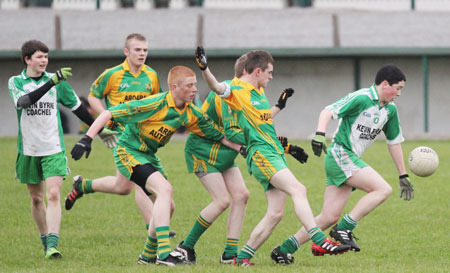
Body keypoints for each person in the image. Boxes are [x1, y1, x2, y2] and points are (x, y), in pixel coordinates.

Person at [70, 65, 242, 266]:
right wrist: (87, 138)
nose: (195, 89)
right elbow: (108, 113)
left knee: (168, 206)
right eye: (189, 85)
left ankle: (147, 255)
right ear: (174, 87)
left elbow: (217, 135)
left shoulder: (190, 112)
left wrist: (243, 149)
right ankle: (164, 253)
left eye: (195, 84)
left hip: (148, 156)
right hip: (128, 152)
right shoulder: (154, 103)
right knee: (164, 189)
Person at [195, 47, 350, 266]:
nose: (271, 76)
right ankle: (318, 239)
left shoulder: (258, 92)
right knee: (299, 189)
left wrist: (280, 112)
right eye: (269, 72)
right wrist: (204, 68)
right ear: (257, 71)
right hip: (261, 154)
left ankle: (242, 258)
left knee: (276, 213)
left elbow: (263, 122)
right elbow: (216, 86)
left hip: (273, 152)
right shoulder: (237, 89)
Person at [271, 64, 414, 264]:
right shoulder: (362, 97)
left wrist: (403, 174)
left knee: (328, 217)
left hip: (347, 159)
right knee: (382, 189)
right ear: (384, 84)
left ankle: (284, 249)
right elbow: (327, 111)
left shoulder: (390, 110)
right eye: (398, 88)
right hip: (340, 153)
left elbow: (394, 141)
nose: (399, 94)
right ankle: (344, 228)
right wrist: (320, 134)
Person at [7, 40, 116, 260]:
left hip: (53, 148)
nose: (44, 61)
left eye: (46, 57)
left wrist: (100, 130)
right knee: (36, 199)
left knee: (54, 194)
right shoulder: (16, 81)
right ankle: (45, 238)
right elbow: (24, 102)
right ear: (27, 59)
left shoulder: (57, 83)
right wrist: (51, 82)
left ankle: (53, 246)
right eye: (39, 57)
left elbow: (78, 108)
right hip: (28, 148)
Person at [64, 33, 175, 237]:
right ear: (126, 52)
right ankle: (157, 230)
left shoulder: (151, 75)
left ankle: (83, 186)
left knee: (123, 186)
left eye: (145, 50)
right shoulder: (113, 74)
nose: (142, 54)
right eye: (137, 50)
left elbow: (156, 104)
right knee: (142, 180)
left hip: (142, 136)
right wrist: (106, 119)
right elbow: (93, 97)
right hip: (121, 137)